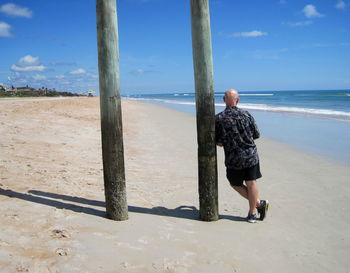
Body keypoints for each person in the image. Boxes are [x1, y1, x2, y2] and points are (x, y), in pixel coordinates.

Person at [215, 89, 269, 223]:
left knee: (235, 183)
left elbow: (218, 142)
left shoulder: (219, 118)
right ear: (237, 100)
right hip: (250, 154)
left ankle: (254, 211)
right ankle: (257, 206)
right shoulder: (246, 115)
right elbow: (256, 135)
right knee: (251, 183)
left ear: (224, 101)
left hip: (233, 158)